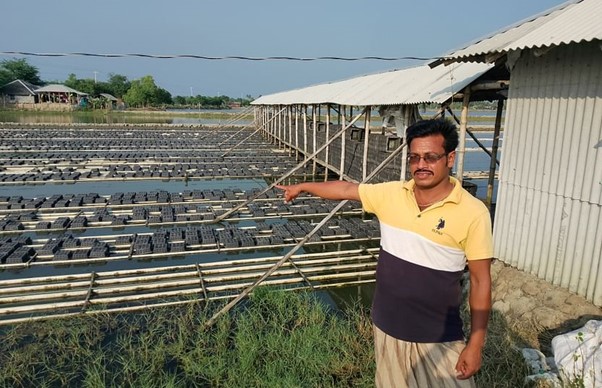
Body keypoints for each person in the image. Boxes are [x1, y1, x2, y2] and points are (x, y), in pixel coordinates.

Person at [276, 118, 493, 387]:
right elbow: (346, 188)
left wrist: (476, 345)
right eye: (414, 157)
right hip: (387, 328)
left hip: (439, 336)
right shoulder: (391, 194)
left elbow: (481, 281)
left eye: (430, 157)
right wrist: (302, 186)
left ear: (450, 158)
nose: (421, 165)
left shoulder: (473, 212)